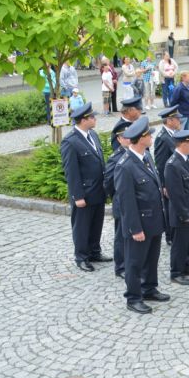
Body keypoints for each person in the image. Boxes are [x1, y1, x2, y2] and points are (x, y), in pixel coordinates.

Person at [114, 117, 169, 314]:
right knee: (135, 262)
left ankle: (149, 288)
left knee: (152, 258)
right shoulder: (125, 166)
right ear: (140, 138)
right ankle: (133, 297)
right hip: (139, 224)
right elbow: (126, 203)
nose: (151, 137)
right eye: (148, 135)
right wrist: (135, 228)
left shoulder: (146, 157)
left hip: (154, 220)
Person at [60, 102, 109, 272]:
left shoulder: (92, 135)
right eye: (92, 117)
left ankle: (95, 251)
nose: (95, 118)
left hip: (98, 190)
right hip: (84, 193)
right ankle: (81, 257)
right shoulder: (70, 142)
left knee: (97, 223)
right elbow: (71, 172)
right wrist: (77, 196)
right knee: (81, 226)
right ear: (83, 120)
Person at [164, 128, 189, 286]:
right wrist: (184, 214)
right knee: (179, 243)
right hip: (182, 212)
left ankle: (186, 265)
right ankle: (176, 272)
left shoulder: (185, 160)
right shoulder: (173, 164)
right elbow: (175, 194)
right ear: (183, 144)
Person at [104, 119, 132, 279]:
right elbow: (108, 183)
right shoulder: (116, 158)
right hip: (121, 202)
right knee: (121, 236)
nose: (129, 139)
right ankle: (120, 267)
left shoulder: (137, 152)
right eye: (125, 137)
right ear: (119, 139)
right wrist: (116, 197)